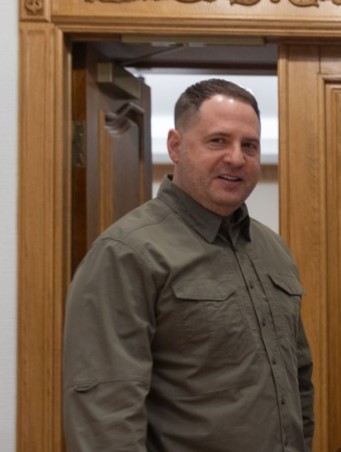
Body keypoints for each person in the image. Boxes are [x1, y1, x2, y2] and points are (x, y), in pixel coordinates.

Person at [63, 78, 314, 451]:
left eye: (249, 145)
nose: (236, 158)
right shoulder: (126, 252)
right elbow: (105, 416)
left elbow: (299, 381)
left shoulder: (273, 250)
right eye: (218, 140)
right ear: (175, 146)